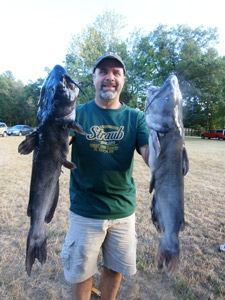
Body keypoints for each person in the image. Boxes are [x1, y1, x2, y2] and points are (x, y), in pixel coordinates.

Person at [60, 52, 149, 300]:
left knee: (114, 267)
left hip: (122, 212)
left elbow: (149, 155)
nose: (109, 77)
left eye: (116, 72)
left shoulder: (135, 117)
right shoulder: (76, 113)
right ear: (94, 78)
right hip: (85, 211)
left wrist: (170, 146)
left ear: (123, 80)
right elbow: (60, 146)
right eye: (103, 72)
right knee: (81, 272)